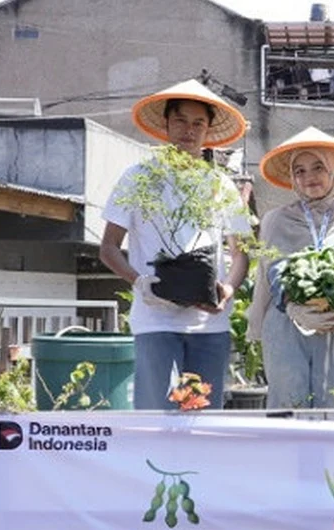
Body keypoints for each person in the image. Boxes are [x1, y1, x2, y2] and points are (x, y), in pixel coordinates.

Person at [99, 79, 250, 410]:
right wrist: (139, 281)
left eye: (199, 123)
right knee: (156, 418)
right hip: (156, 321)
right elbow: (108, 247)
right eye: (180, 120)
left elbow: (241, 253)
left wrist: (228, 287)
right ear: (166, 124)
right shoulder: (138, 177)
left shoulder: (220, 183)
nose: (189, 130)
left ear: (208, 130)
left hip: (210, 325)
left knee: (202, 420)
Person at [249, 127, 334, 409]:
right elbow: (274, 270)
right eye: (300, 171)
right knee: (288, 406)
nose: (309, 177)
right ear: (292, 179)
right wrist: (294, 305)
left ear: (333, 173)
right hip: (285, 326)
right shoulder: (276, 220)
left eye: (318, 167)